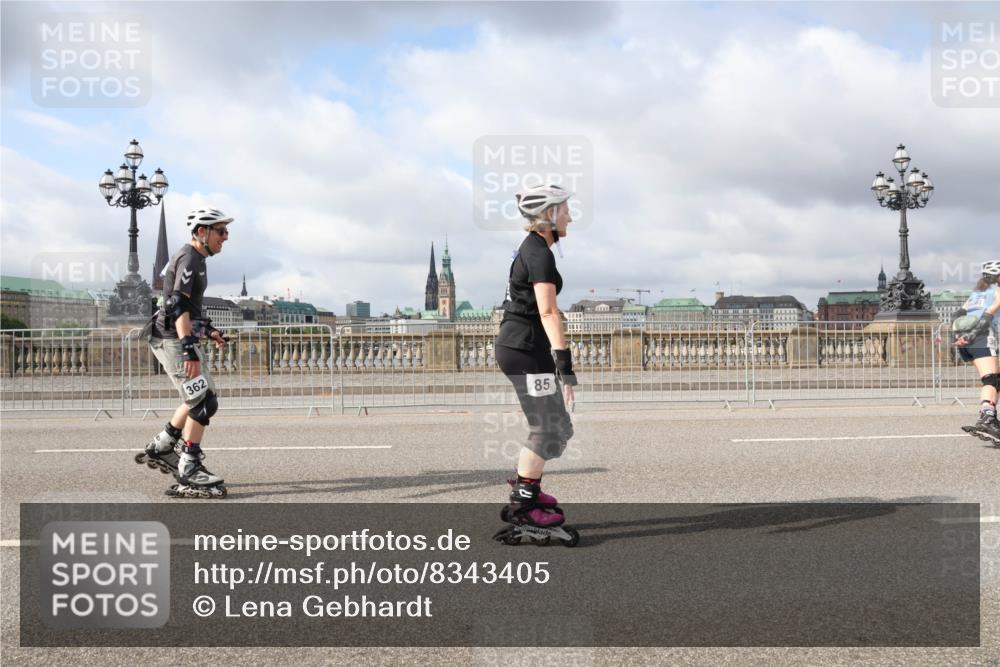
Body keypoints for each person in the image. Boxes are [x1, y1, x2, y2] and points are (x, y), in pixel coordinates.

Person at [492, 184, 580, 547]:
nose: (570, 216)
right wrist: (566, 368)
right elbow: (548, 312)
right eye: (565, 210)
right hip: (525, 350)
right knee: (548, 428)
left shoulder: (534, 248)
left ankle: (528, 488)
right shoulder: (539, 253)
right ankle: (524, 505)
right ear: (549, 215)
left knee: (558, 429)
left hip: (527, 349)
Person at [134, 208, 233, 497]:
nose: (225, 237)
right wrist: (189, 349)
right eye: (221, 231)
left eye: (226, 232)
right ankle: (189, 468)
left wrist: (208, 329)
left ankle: (163, 446)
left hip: (175, 337)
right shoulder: (189, 257)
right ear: (202, 232)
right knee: (202, 402)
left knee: (200, 397)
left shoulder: (197, 258)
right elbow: (176, 304)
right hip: (173, 340)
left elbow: (188, 307)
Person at [955, 259, 1000, 445]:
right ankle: (987, 418)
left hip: (965, 340)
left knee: (994, 379)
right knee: (992, 380)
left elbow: (958, 314)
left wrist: (960, 336)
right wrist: (973, 334)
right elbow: (989, 314)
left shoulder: (977, 294)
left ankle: (990, 418)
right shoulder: (997, 291)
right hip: (981, 336)